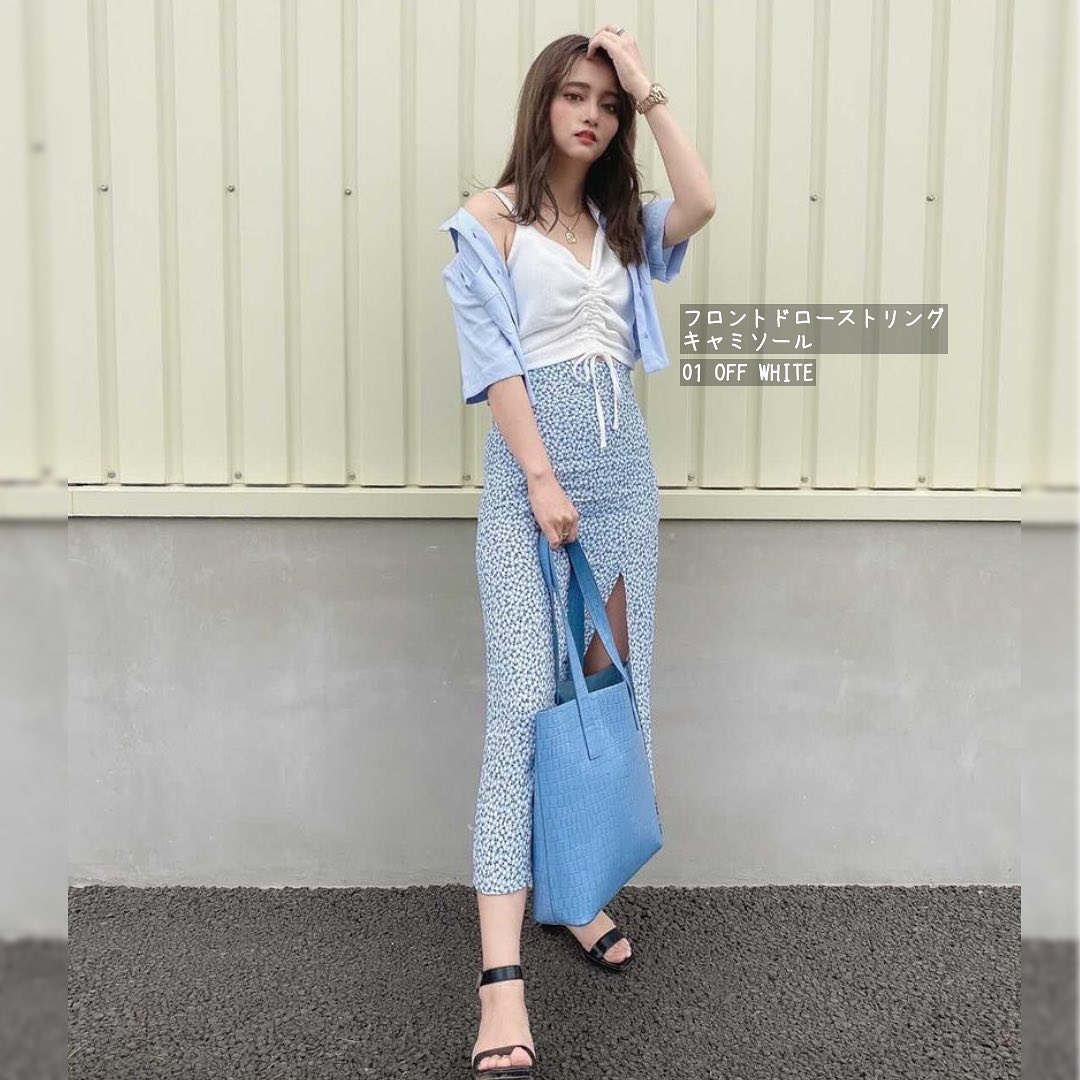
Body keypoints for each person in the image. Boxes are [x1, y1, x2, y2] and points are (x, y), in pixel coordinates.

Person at [439, 26, 715, 1076]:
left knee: (605, 690)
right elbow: (496, 364)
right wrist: (541, 479)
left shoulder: (622, 224)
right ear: (541, 104)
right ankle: (500, 986)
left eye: (606, 100)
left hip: (624, 484)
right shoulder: (489, 224)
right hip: (531, 488)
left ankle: (577, 889)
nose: (591, 113)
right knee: (523, 710)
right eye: (574, 94)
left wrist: (651, 89)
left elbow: (701, 203)